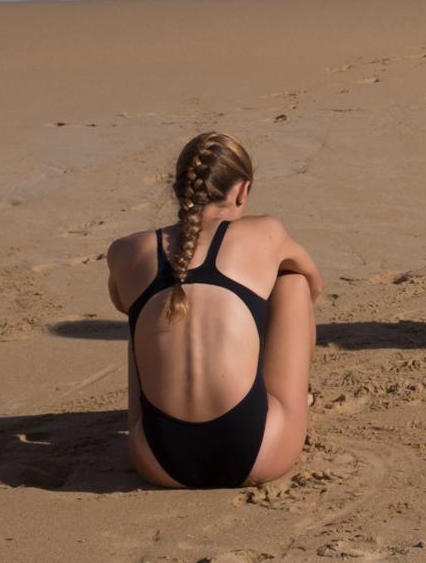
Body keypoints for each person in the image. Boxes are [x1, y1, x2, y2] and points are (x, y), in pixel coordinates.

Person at [105, 132, 321, 488]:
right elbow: (314, 284)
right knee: (291, 281)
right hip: (257, 453)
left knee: (147, 312)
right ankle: (297, 396)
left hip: (157, 461)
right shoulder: (265, 231)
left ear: (178, 191)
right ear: (242, 191)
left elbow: (119, 302)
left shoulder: (126, 249)